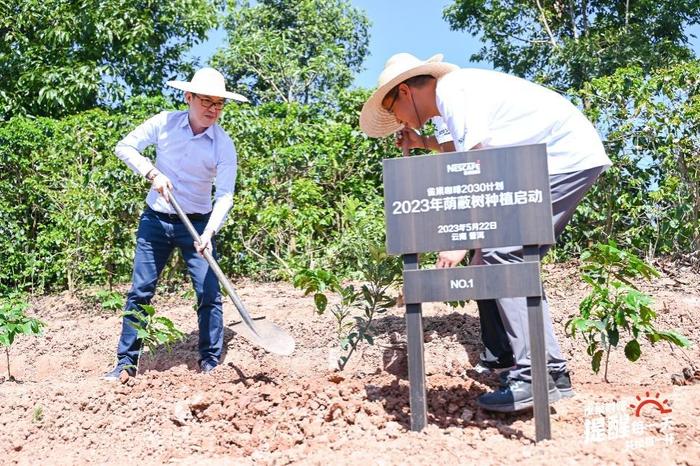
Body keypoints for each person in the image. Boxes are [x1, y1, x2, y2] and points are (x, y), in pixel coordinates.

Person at [359, 53, 612, 412]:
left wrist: (460, 240)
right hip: (560, 159)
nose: (396, 120)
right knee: (512, 260)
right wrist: (423, 142)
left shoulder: (452, 90)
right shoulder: (458, 92)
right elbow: (462, 151)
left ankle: (532, 376)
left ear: (404, 92)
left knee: (502, 255)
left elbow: (477, 169)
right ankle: (551, 373)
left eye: (394, 110)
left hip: (559, 162)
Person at [103, 67, 248, 380]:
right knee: (140, 291)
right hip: (155, 220)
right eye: (206, 101)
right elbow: (125, 147)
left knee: (209, 293)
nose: (213, 109)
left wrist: (209, 232)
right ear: (188, 97)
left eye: (219, 104)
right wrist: (152, 173)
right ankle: (125, 364)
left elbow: (224, 196)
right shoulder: (164, 122)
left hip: (197, 223)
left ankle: (210, 363)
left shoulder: (223, 145)